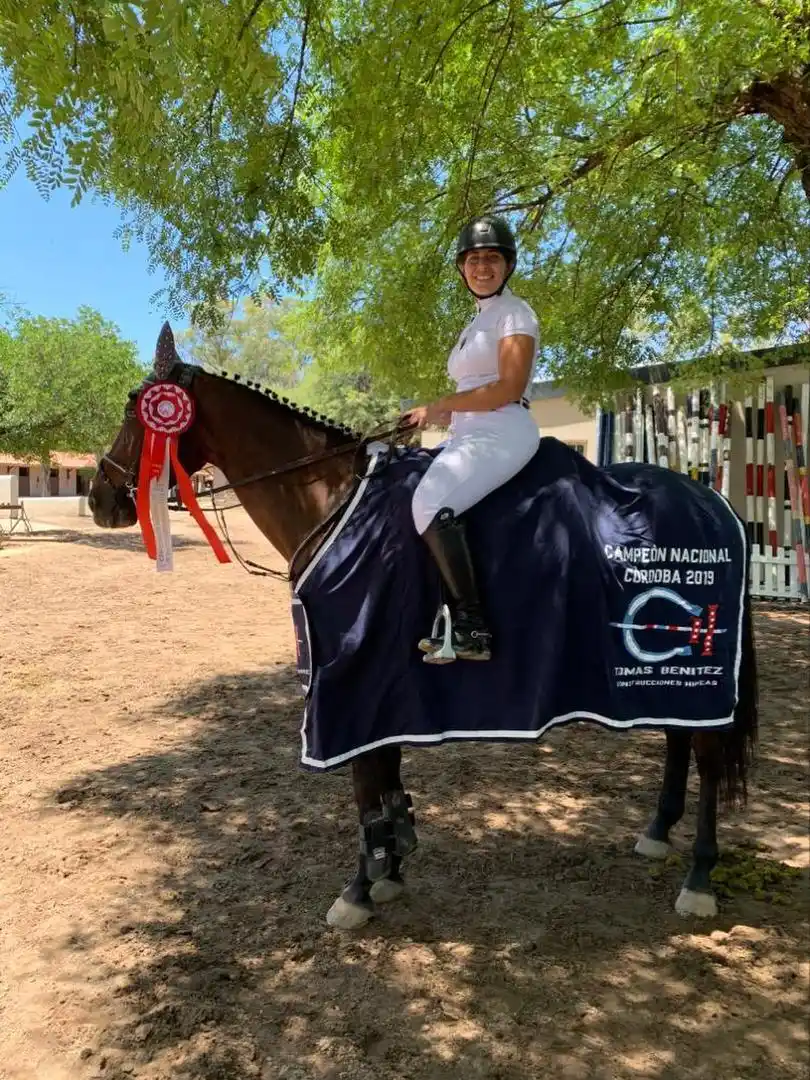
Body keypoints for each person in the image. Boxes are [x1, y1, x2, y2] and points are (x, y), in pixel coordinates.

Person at [401, 215, 540, 663]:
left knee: (428, 503)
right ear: (462, 268)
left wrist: (440, 405)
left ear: (507, 265)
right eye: (474, 259)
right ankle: (438, 612)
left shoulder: (516, 313)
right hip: (469, 433)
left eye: (492, 258)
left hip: (504, 430)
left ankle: (473, 627)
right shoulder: (476, 322)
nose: (483, 267)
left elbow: (508, 387)